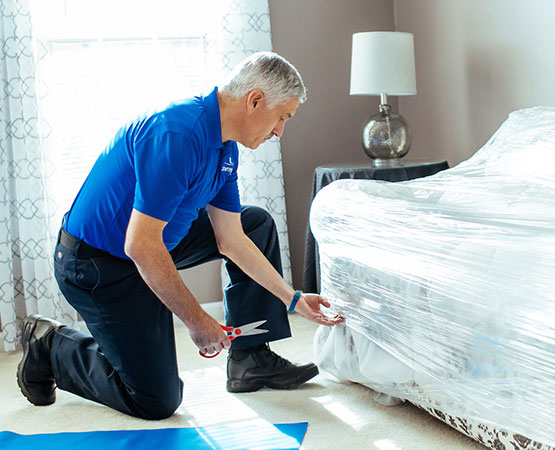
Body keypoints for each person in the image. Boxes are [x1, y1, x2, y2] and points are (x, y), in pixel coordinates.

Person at [16, 51, 343, 420]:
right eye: (282, 117)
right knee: (155, 400)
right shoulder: (176, 134)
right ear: (254, 100)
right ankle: (51, 345)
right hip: (98, 265)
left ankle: (250, 359)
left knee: (254, 223)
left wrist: (292, 298)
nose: (280, 131)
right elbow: (140, 245)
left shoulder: (225, 148)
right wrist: (198, 321)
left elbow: (231, 238)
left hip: (152, 244)